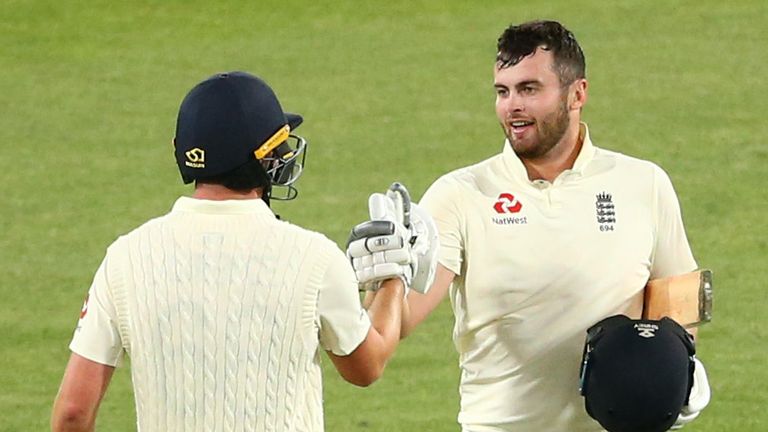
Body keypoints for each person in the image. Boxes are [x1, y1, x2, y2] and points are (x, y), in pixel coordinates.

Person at [349, 21, 710, 431]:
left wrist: (676, 364)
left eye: (529, 89)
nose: (511, 106)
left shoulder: (643, 183)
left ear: (578, 94)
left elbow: (676, 299)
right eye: (503, 92)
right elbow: (393, 328)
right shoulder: (461, 195)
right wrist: (387, 281)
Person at [51, 71, 408, 432]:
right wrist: (391, 281)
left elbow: (72, 413)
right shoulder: (314, 258)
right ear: (265, 159)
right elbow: (366, 367)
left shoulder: (124, 259)